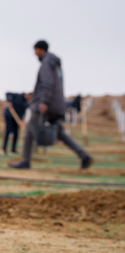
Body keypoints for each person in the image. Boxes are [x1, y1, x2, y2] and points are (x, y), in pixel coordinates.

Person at [9, 40, 92, 170]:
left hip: (48, 105)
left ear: (40, 49)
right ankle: (84, 156)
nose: (34, 53)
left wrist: (43, 101)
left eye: (35, 50)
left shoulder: (47, 63)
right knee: (59, 132)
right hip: (58, 104)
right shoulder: (57, 65)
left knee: (30, 128)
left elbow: (47, 84)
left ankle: (25, 161)